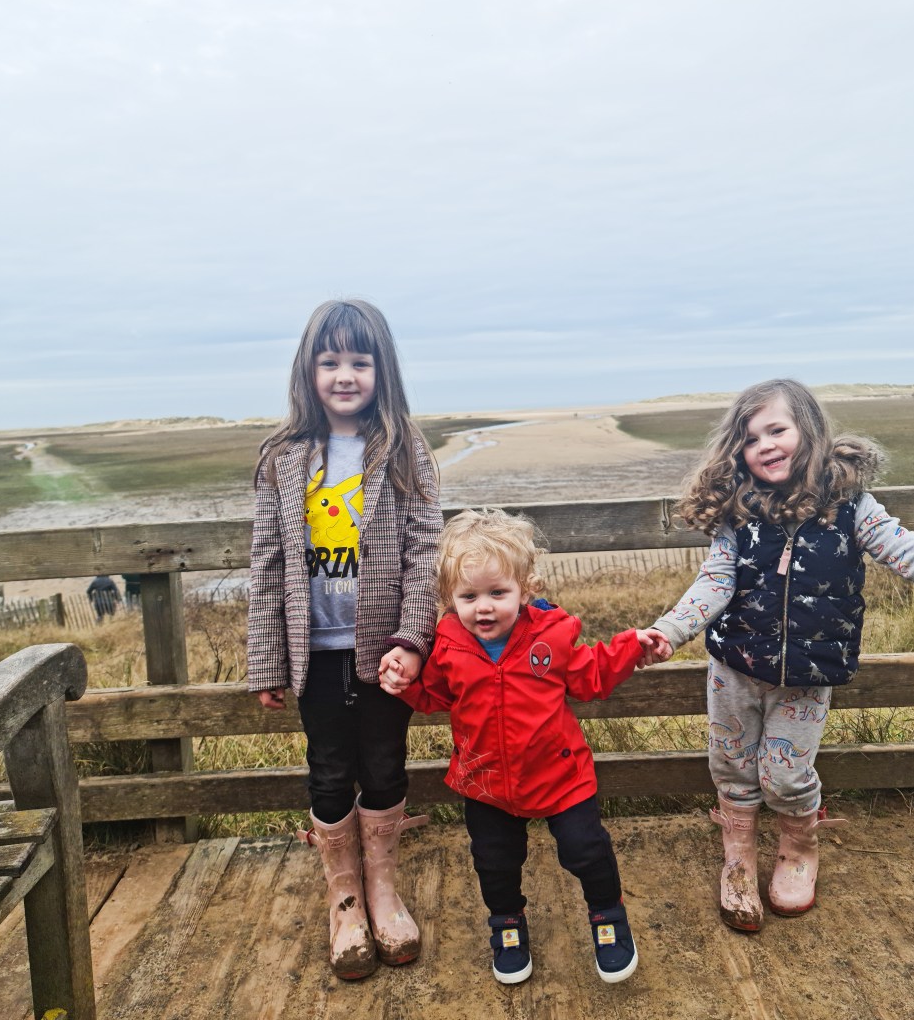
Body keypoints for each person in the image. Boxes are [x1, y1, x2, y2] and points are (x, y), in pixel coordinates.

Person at [646, 378, 914, 932]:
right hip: (735, 668)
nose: (765, 446)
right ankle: (738, 855)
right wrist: (669, 631)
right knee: (732, 765)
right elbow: (715, 580)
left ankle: (799, 847)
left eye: (776, 430)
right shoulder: (738, 513)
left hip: (807, 675)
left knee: (785, 775)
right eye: (750, 439)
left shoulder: (852, 507)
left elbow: (912, 554)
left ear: (809, 430)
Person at [380, 508, 670, 985]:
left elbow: (591, 674)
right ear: (450, 599)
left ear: (524, 588)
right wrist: (404, 683)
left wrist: (632, 646)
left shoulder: (551, 634)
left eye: (498, 593)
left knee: (586, 849)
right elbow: (434, 696)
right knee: (494, 862)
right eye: (469, 596)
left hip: (560, 776)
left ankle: (608, 916)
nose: (484, 607)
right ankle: (507, 925)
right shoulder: (448, 643)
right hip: (486, 781)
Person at [247, 299, 443, 980]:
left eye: (359, 361)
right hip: (314, 653)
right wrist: (268, 661)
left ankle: (384, 889)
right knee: (329, 771)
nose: (344, 375)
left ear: (381, 369)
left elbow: (425, 552)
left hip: (384, 651)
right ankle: (345, 899)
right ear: (308, 370)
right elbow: (267, 561)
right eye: (329, 361)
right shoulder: (281, 457)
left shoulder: (405, 449)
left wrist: (412, 639)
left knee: (385, 766)